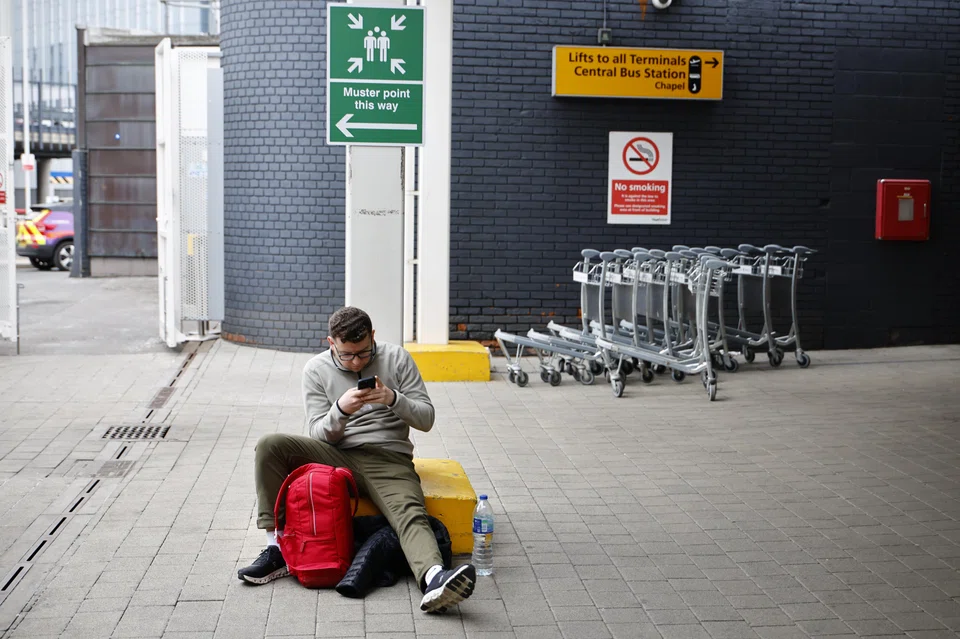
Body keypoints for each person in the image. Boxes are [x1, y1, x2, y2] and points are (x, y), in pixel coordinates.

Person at [238, 306, 476, 613]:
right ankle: (276, 548)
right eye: (347, 355)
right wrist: (340, 410)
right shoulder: (315, 369)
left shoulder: (397, 358)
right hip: (336, 453)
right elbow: (318, 433)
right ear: (330, 343)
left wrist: (393, 399)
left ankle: (434, 579)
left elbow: (426, 418)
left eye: (364, 353)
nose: (356, 362)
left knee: (409, 513)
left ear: (373, 336)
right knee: (270, 445)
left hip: (388, 458)